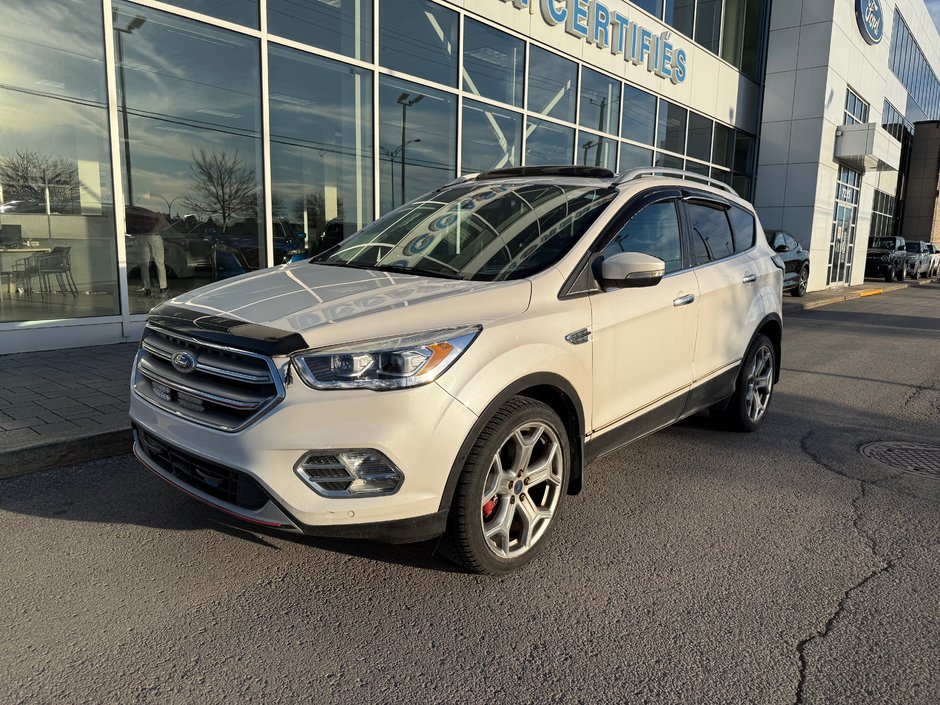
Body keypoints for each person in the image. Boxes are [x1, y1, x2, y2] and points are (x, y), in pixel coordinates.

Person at [127, 206, 168, 296]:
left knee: (144, 263)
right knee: (159, 262)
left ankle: (147, 287)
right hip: (154, 236)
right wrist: (159, 222)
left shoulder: (139, 216)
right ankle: (163, 286)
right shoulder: (155, 216)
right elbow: (166, 226)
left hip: (141, 237)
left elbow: (133, 227)